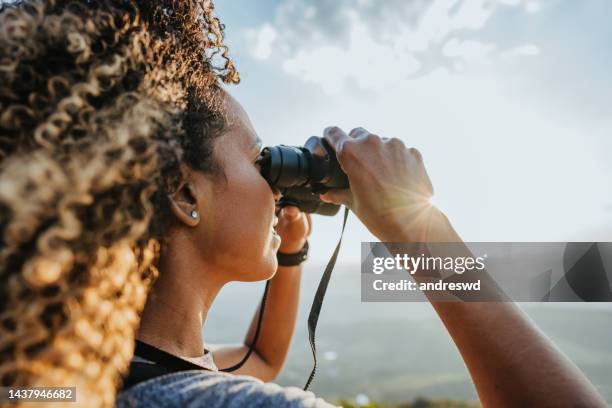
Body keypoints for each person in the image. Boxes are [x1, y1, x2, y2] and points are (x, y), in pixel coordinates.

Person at [0, 1, 606, 408]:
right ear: (185, 193)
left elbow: (262, 356)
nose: (275, 185)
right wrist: (419, 232)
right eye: (262, 161)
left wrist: (289, 253)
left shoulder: (62, 381)